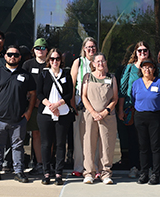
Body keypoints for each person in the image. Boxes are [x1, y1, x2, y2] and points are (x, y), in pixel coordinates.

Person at [0, 45, 35, 182]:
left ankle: (18, 171)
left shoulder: (25, 75)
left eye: (16, 55)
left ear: (20, 58)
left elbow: (33, 94)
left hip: (18, 119)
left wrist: (29, 111)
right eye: (10, 54)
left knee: (18, 147)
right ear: (5, 56)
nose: (13, 57)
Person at [35, 47, 74, 185]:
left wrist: (58, 104)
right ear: (48, 60)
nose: (55, 61)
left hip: (62, 113)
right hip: (46, 113)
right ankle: (46, 173)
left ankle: (58, 173)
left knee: (60, 144)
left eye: (57, 58)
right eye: (52, 59)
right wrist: (50, 105)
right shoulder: (44, 74)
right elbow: (39, 93)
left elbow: (69, 93)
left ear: (61, 60)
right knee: (46, 144)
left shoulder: (66, 74)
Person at [81, 53, 118, 185]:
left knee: (107, 144)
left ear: (106, 62)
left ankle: (105, 173)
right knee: (89, 144)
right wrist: (93, 112)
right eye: (98, 61)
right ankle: (89, 173)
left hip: (107, 116)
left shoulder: (111, 77)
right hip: (90, 116)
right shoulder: (88, 77)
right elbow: (83, 96)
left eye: (102, 61)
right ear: (93, 63)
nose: (100, 64)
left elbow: (115, 98)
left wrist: (105, 111)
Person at [131, 57, 160, 184]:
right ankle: (144, 173)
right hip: (140, 117)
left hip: (155, 117)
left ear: (154, 69)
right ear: (141, 69)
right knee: (143, 147)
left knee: (156, 147)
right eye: (144, 67)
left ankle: (156, 174)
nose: (147, 69)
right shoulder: (136, 83)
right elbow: (133, 99)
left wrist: (159, 115)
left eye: (150, 67)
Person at [117, 42, 149, 178]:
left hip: (149, 110)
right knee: (134, 141)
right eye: (139, 50)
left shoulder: (153, 67)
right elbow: (122, 91)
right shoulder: (129, 68)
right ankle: (134, 167)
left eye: (145, 50)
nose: (142, 53)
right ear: (135, 52)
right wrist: (120, 109)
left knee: (147, 141)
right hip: (132, 110)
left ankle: (147, 168)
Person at [70, 37, 97, 175]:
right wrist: (72, 104)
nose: (91, 49)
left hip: (96, 102)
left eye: (93, 47)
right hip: (80, 101)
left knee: (95, 136)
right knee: (79, 136)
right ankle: (79, 167)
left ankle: (95, 167)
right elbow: (72, 83)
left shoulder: (100, 62)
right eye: (88, 47)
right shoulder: (79, 62)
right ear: (84, 49)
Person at [23, 38, 51, 173]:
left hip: (50, 105)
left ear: (47, 50)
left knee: (49, 134)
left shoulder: (52, 63)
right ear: (33, 50)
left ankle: (48, 162)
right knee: (36, 133)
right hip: (33, 105)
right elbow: (22, 83)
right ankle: (39, 163)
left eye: (43, 48)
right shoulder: (28, 65)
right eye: (37, 48)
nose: (40, 50)